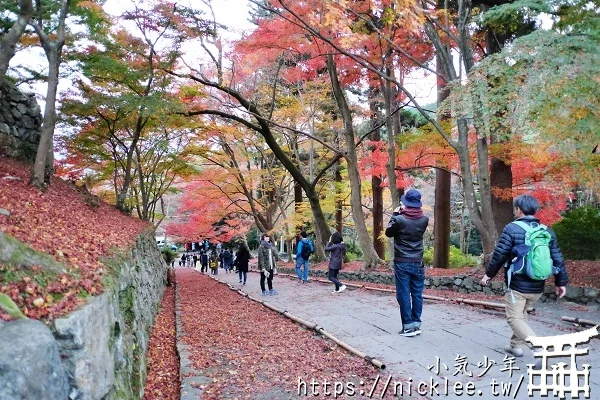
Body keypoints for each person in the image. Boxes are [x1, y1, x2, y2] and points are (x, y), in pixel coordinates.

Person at [480, 194, 568, 361]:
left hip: (518, 285)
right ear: (535, 210)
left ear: (518, 210)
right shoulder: (546, 231)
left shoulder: (512, 229)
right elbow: (557, 258)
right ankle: (516, 347)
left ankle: (538, 347)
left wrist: (488, 275)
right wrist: (561, 282)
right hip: (538, 285)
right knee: (521, 314)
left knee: (513, 317)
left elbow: (499, 255)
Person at [385, 189, 429, 337]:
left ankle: (408, 327)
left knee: (403, 294)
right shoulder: (424, 220)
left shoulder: (399, 219)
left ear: (406, 203)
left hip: (402, 261)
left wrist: (395, 214)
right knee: (417, 294)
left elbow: (389, 232)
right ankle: (416, 324)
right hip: (418, 261)